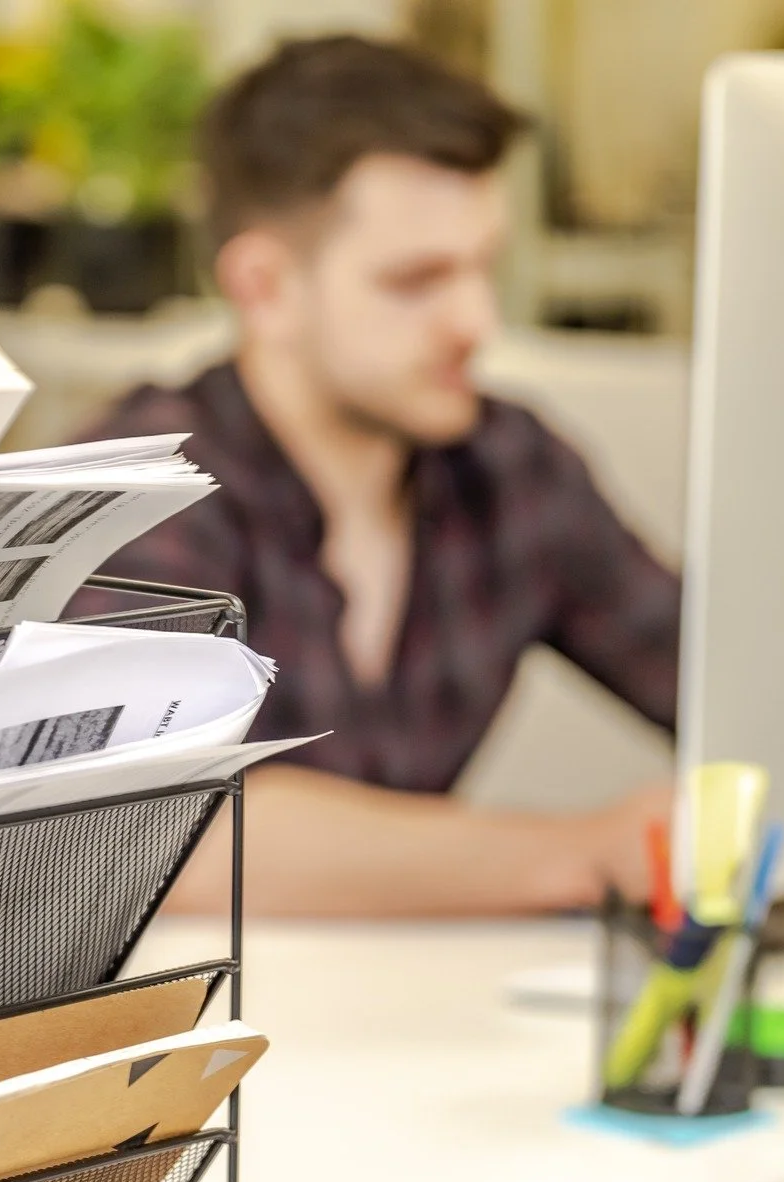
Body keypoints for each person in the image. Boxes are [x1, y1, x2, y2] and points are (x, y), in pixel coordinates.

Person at [82, 36, 681, 918]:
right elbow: (159, 831)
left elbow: (710, 676)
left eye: (485, 267)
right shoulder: (137, 496)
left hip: (423, 1023)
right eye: (417, 280)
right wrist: (582, 853)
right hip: (206, 1030)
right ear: (266, 286)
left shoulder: (510, 467)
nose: (476, 322)